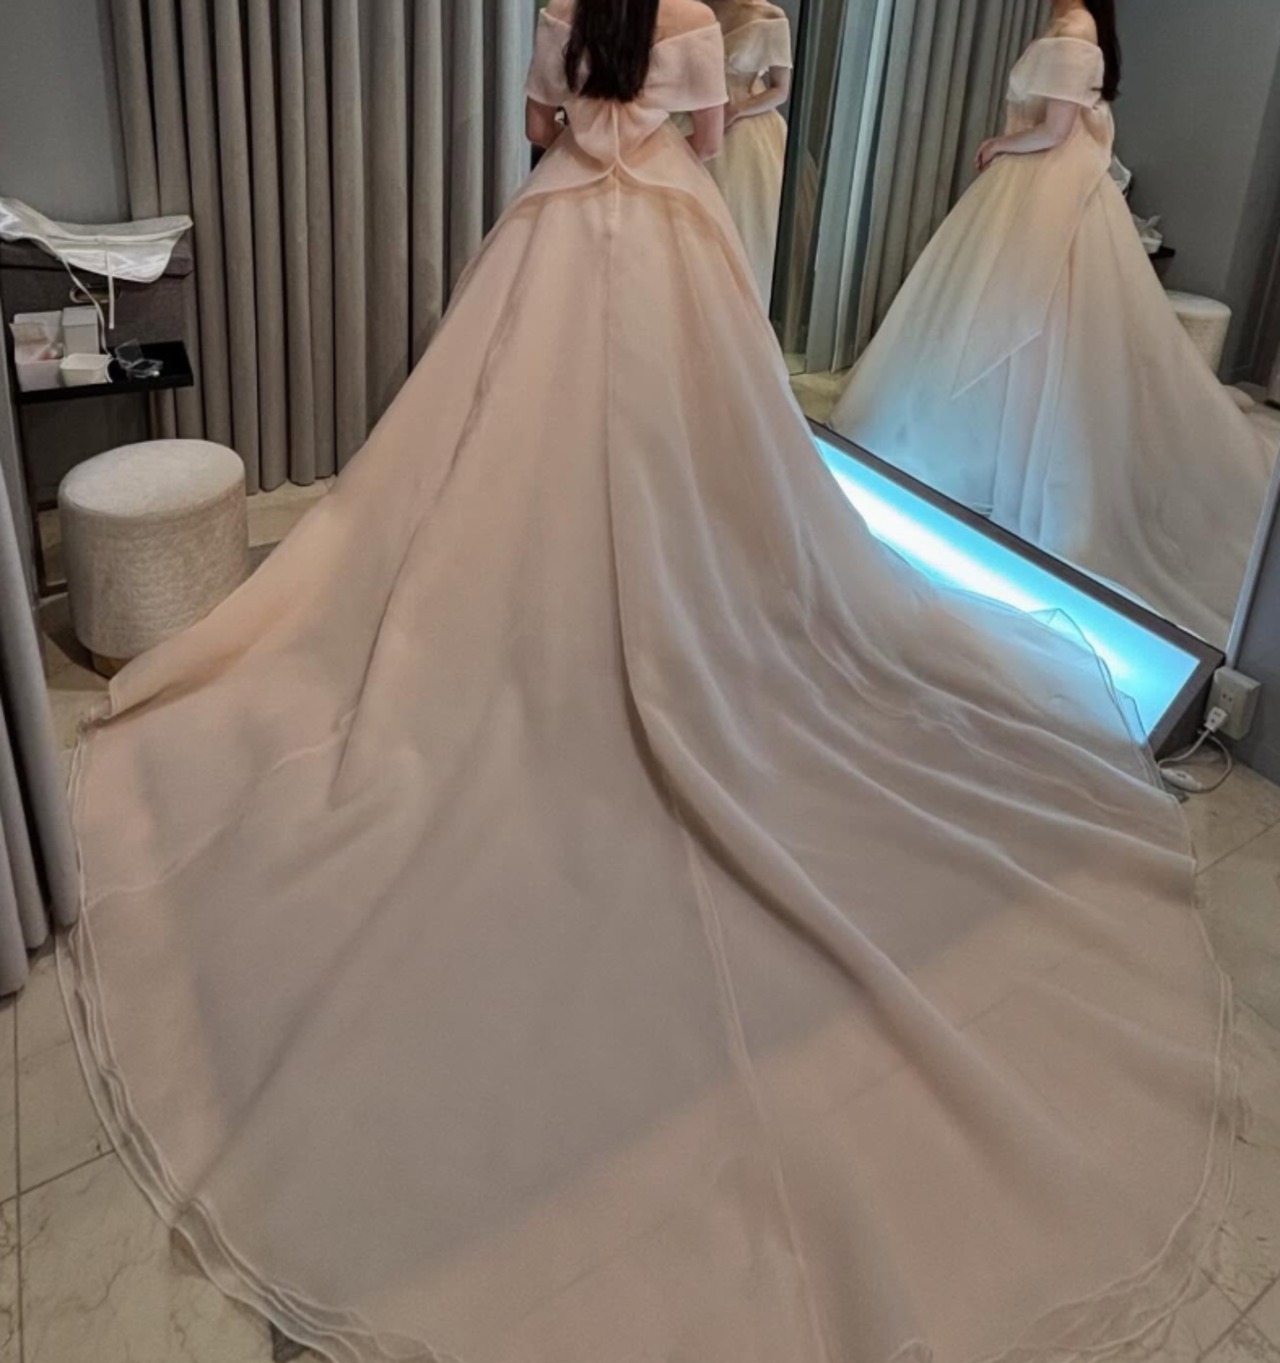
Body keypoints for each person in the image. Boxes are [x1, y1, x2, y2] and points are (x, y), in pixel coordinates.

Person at [63, 2, 1242, 1361]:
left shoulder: (566, 13)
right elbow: (713, 136)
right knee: (711, 471)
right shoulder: (693, 18)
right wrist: (661, 136)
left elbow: (537, 130)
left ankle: (517, 616)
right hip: (678, 239)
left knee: (493, 465)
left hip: (559, 233)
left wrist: (582, 129)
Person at [829, 0, 1276, 647]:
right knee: (1011, 318)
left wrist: (1000, 143)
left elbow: (1057, 129)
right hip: (1041, 190)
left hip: (1047, 191)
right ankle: (986, 453)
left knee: (1029, 320)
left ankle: (1009, 464)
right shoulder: (1069, 26)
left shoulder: (1075, 29)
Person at [703, 0, 794, 305]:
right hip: (693, 112)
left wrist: (737, 110)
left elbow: (780, 89)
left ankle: (740, 308)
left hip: (744, 123)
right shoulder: (695, 7)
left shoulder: (769, 15)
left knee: (743, 219)